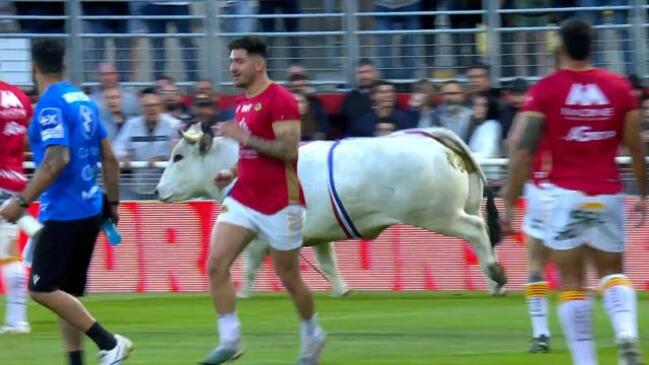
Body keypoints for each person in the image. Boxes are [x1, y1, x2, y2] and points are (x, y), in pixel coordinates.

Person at [503, 19, 646, 365]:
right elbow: (635, 147)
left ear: (560, 47)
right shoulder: (618, 88)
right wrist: (643, 193)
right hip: (609, 193)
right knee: (613, 273)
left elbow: (523, 151)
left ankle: (586, 360)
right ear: (592, 47)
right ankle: (625, 332)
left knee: (572, 282)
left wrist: (509, 201)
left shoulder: (546, 90)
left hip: (565, 195)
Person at [0, 40, 131, 365]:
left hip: (65, 212)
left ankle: (110, 342)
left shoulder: (50, 105)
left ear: (34, 67)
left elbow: (57, 159)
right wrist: (112, 205)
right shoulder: (82, 99)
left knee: (42, 289)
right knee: (64, 295)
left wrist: (22, 200)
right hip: (90, 208)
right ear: (64, 64)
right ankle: (76, 362)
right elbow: (110, 157)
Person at [199, 36, 326, 365]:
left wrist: (244, 136)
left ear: (259, 64)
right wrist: (231, 170)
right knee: (216, 264)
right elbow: (250, 152)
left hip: (281, 201)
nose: (232, 68)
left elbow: (288, 151)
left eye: (238, 61)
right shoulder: (242, 102)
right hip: (244, 197)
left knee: (289, 277)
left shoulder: (280, 99)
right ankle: (230, 340)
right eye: (231, 62)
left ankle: (313, 335)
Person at [0, 78, 32, 335]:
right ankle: (17, 319)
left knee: (8, 254)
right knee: (9, 254)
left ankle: (17, 321)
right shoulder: (18, 96)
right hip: (14, 181)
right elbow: (25, 140)